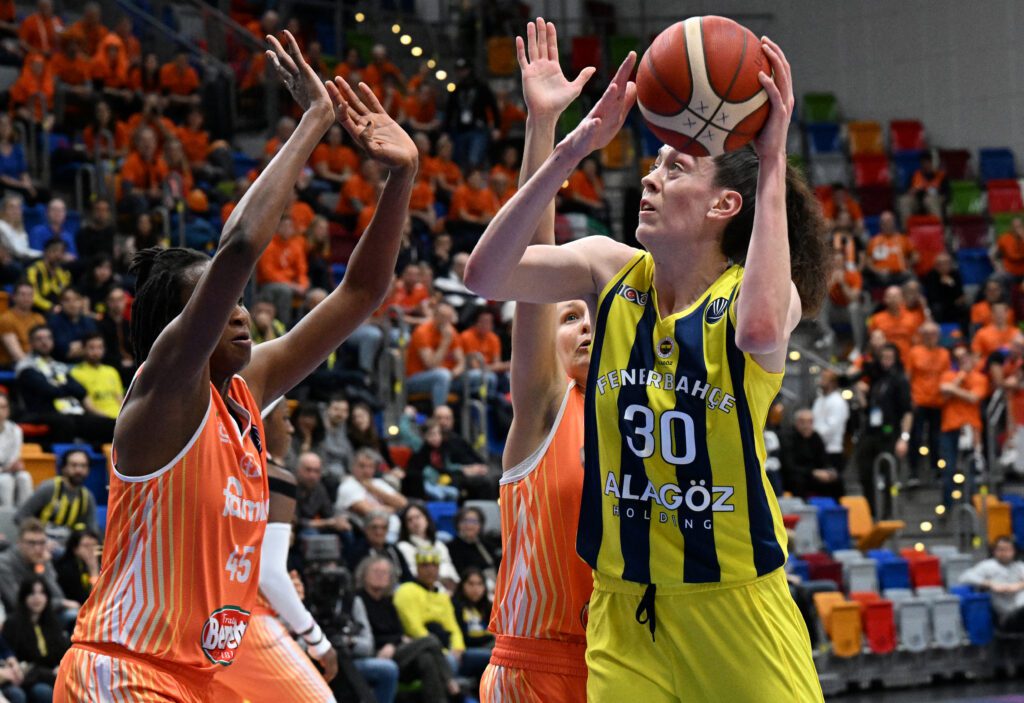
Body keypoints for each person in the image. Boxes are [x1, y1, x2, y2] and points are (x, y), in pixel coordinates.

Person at [55, 32, 418, 700]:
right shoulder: (163, 394)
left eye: (240, 303)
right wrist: (314, 119)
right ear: (182, 327)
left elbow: (362, 293)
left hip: (205, 668)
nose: (243, 313)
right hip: (124, 666)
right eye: (220, 307)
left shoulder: (245, 390)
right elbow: (243, 243)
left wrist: (401, 177)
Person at [463, 35, 824, 701]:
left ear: (725, 205)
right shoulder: (609, 268)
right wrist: (561, 141)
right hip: (623, 612)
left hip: (736, 607)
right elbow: (487, 273)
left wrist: (771, 158)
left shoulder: (752, 295)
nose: (651, 177)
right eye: (653, 164)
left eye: (677, 168)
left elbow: (766, 328)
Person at [208, 397, 339, 702]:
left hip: (198, 619)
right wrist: (317, 640)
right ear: (261, 424)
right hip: (241, 620)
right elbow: (270, 574)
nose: (291, 430)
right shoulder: (274, 477)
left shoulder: (213, 467)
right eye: (284, 419)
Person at [356, 555, 459, 701]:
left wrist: (393, 643)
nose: (380, 576)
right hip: (376, 651)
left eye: (384, 572)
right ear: (364, 574)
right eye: (375, 571)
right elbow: (367, 633)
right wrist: (394, 642)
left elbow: (398, 631)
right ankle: (450, 682)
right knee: (430, 640)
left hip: (396, 650)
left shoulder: (388, 601)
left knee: (426, 659)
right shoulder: (358, 599)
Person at [16, 325, 115, 445]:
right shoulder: (25, 367)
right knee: (65, 422)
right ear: (31, 342)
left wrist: (60, 388)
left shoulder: (59, 365)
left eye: (48, 338)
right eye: (39, 339)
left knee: (111, 424)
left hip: (70, 412)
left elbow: (80, 390)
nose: (44, 342)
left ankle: (104, 457)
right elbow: (49, 391)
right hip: (40, 413)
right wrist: (66, 387)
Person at [854, 343, 912, 518]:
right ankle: (871, 511)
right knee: (864, 469)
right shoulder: (877, 380)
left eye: (890, 358)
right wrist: (859, 392)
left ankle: (888, 513)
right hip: (872, 430)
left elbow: (907, 412)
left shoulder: (899, 380)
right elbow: (867, 406)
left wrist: (904, 438)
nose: (886, 361)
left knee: (888, 474)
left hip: (890, 432)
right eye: (884, 357)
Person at [393, 547, 465, 676]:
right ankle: (456, 693)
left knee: (489, 657)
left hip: (448, 647)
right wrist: (443, 651)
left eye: (434, 566)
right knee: (448, 661)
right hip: (424, 649)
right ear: (417, 567)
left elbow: (453, 627)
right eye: (425, 566)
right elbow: (414, 627)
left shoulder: (442, 596)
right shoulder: (406, 591)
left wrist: (458, 648)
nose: (430, 570)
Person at [2, 577, 69, 701]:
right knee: (43, 691)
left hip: (54, 673)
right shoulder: (13, 623)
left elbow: (63, 650)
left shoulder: (52, 621)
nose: (37, 598)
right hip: (30, 678)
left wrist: (61, 666)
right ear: (24, 597)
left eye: (41, 593)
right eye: (32, 593)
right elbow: (21, 665)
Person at [938, 347, 988, 508]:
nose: (963, 360)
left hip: (971, 429)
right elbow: (944, 393)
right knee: (949, 469)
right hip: (949, 428)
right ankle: (947, 506)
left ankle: (972, 505)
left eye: (965, 356)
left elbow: (973, 398)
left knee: (971, 469)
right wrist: (960, 376)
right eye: (959, 357)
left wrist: (954, 389)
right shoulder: (948, 375)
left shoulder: (980, 378)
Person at [905, 321, 951, 485]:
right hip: (919, 401)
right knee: (916, 437)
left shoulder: (944, 354)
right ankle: (913, 472)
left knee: (936, 439)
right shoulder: (915, 352)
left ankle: (936, 470)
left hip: (938, 402)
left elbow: (947, 378)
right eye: (927, 334)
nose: (931, 337)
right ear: (922, 336)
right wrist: (909, 398)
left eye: (934, 334)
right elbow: (908, 377)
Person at [16, 448, 97, 539]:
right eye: (74, 465)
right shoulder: (49, 488)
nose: (78, 470)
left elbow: (92, 530)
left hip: (69, 547)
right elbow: (21, 516)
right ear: (63, 468)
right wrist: (38, 537)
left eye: (83, 466)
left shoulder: (87, 497)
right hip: (42, 543)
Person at [0, 519, 75, 616]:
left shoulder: (42, 560)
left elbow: (58, 595)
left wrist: (41, 567)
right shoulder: (4, 563)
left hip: (41, 616)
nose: (37, 548)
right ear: (19, 543)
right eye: (31, 543)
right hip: (13, 620)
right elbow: (17, 603)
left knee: (73, 615)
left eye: (41, 543)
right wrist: (60, 604)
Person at [959, 536, 1024, 631]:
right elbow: (964, 577)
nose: (1004, 553)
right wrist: (990, 584)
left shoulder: (1019, 566)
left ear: (1014, 551)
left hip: (1019, 605)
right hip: (1001, 613)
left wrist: (1019, 585)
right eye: (1001, 549)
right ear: (995, 551)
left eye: (1008, 550)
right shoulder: (987, 565)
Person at [336, 447, 407, 534]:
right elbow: (369, 512)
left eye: (370, 466)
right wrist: (393, 508)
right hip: (363, 532)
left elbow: (403, 503)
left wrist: (372, 489)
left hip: (389, 528)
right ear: (353, 467)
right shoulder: (347, 485)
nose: (366, 471)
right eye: (362, 466)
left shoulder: (377, 483)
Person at [781, 409, 842, 499]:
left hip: (815, 475)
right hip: (797, 475)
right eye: (802, 422)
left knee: (836, 481)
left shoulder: (816, 437)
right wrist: (812, 473)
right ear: (796, 423)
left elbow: (824, 459)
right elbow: (789, 466)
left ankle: (834, 510)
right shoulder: (788, 438)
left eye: (810, 422)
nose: (806, 426)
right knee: (798, 481)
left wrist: (829, 471)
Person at [396, 503, 459, 588]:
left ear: (426, 519)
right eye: (409, 520)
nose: (415, 522)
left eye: (418, 517)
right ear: (405, 525)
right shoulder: (403, 547)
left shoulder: (440, 545)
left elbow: (452, 573)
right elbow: (413, 574)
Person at [347, 510, 414, 582]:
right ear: (366, 529)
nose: (379, 532)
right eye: (374, 527)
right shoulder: (356, 551)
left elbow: (407, 576)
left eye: (383, 528)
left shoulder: (393, 550)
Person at [447, 506, 499, 585]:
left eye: (474, 521)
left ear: (480, 525)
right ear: (457, 524)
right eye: (465, 521)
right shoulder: (450, 548)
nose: (469, 525)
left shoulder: (488, 546)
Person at [811, 369, 849, 473]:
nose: (820, 381)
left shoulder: (838, 401)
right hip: (817, 449)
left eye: (824, 379)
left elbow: (831, 427)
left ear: (832, 382)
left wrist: (814, 437)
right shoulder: (819, 400)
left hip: (832, 450)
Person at [54, 528, 101, 606]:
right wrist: (93, 571)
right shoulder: (66, 568)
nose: (91, 550)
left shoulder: (101, 564)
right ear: (75, 549)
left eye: (94, 545)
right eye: (86, 546)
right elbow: (91, 600)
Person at [0, 393, 30, 509]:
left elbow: (14, 459)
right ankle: (6, 521)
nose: (1, 412)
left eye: (4, 407)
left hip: (7, 471)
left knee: (24, 477)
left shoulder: (15, 430)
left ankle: (25, 518)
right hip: (4, 473)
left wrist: (12, 467)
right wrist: (6, 469)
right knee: (5, 481)